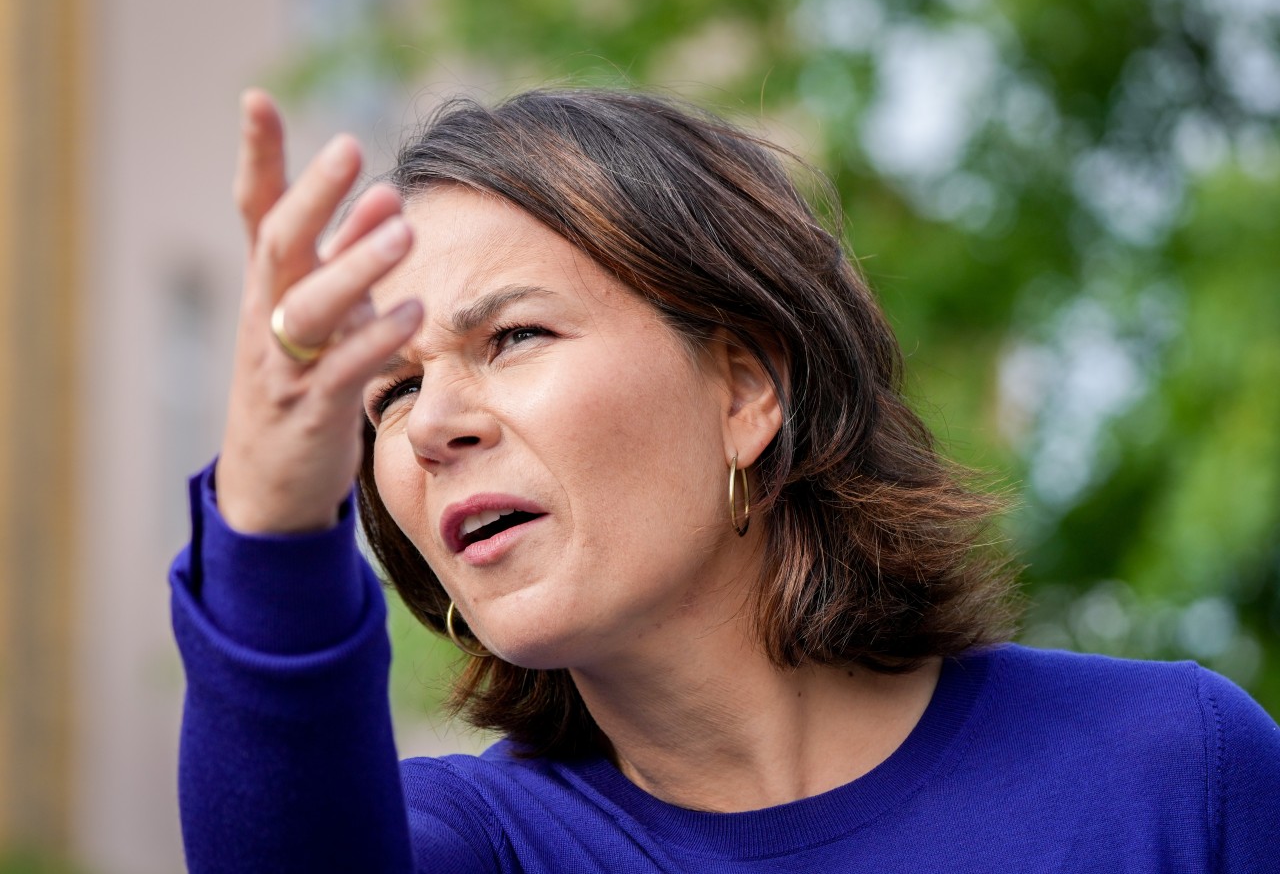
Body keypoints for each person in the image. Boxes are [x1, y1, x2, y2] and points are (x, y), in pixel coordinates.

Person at [170, 87, 1280, 873]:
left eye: (510, 336)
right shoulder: (472, 844)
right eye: (389, 393)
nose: (429, 428)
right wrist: (269, 515)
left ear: (745, 389)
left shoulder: (1174, 768)